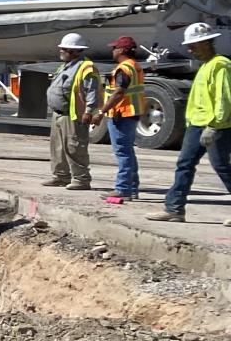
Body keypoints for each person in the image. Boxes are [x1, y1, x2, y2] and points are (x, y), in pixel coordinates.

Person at [149, 22, 231, 223]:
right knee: (184, 164)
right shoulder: (205, 66)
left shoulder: (220, 65)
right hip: (197, 124)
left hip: (214, 126)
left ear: (206, 42)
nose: (189, 49)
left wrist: (214, 126)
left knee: (221, 166)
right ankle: (174, 208)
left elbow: (224, 99)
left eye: (194, 45)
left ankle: (174, 207)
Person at [44, 33, 101, 191]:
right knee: (57, 148)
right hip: (59, 113)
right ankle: (60, 176)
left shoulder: (86, 67)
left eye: (64, 49)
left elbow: (92, 91)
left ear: (75, 51)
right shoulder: (65, 65)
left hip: (73, 114)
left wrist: (89, 111)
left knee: (75, 147)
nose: (61, 51)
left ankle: (81, 179)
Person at [100, 35, 146, 204]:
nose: (112, 51)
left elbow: (119, 92)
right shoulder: (135, 66)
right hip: (131, 113)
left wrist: (101, 111)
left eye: (114, 48)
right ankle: (132, 189)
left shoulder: (124, 68)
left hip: (122, 114)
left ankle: (123, 189)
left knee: (123, 152)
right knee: (128, 152)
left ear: (121, 50)